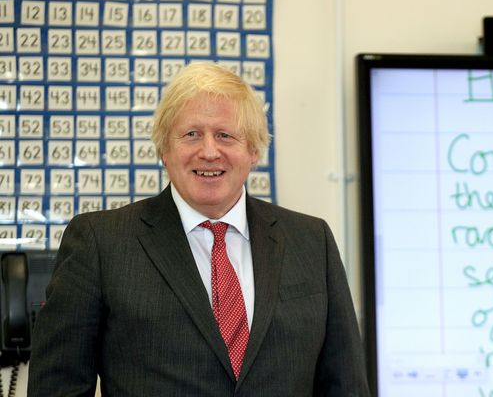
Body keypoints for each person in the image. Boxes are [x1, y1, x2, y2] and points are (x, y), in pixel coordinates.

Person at [28, 62, 370, 396]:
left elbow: (346, 385)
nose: (209, 151)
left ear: (253, 150)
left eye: (225, 135)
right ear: (164, 148)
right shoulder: (100, 242)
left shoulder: (312, 241)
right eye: (191, 134)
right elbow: (58, 387)